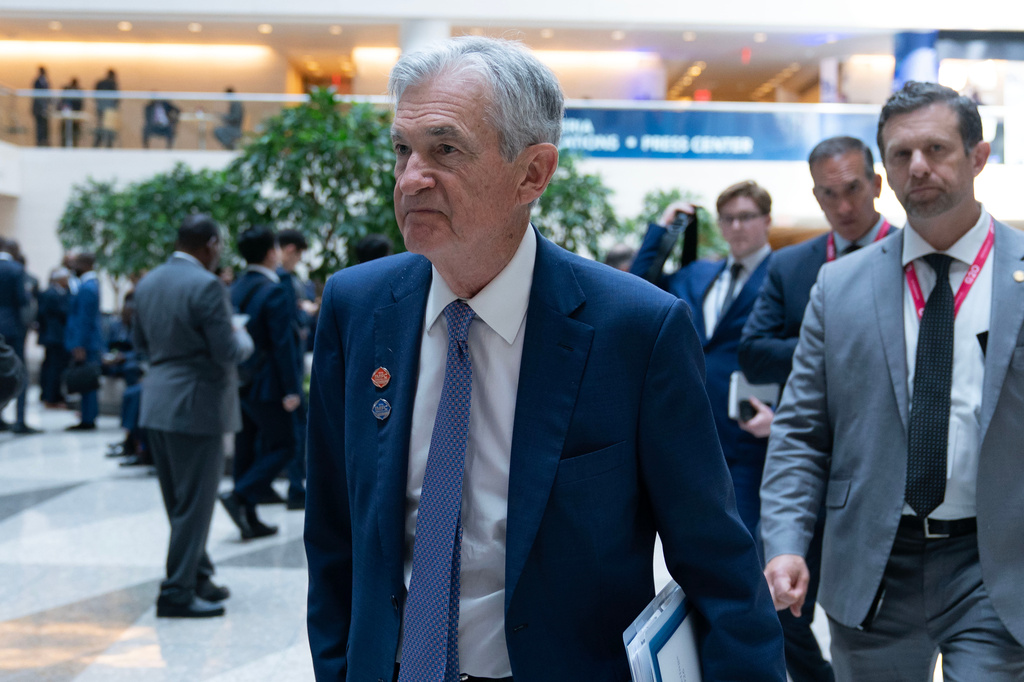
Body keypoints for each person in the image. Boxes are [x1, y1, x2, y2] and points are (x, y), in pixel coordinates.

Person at [304, 36, 785, 682]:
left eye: (444, 149)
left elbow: (718, 566)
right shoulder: (357, 307)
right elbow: (334, 534)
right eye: (402, 150)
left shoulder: (634, 332)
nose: (411, 178)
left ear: (532, 173)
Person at [761, 81, 1024, 680]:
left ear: (978, 157)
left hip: (995, 561)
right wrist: (784, 539)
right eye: (901, 155)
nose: (919, 167)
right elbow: (801, 431)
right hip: (874, 561)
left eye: (936, 149)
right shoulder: (839, 287)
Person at [738, 135, 892, 682]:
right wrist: (833, 343)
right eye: (829, 195)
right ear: (815, 196)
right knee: (779, 601)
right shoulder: (793, 266)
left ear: (876, 184)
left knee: (874, 621)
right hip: (802, 459)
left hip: (880, 472)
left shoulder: (912, 257)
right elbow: (753, 350)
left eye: (853, 190)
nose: (844, 207)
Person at [630, 181, 773, 541]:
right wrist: (663, 230)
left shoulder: (784, 275)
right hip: (690, 431)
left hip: (749, 437)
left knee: (744, 543)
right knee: (692, 542)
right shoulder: (697, 275)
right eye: (728, 219)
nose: (736, 227)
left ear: (766, 220)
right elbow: (637, 288)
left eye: (746, 217)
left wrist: (786, 415)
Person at [133, 214, 252, 618]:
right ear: (212, 244)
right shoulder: (206, 285)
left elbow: (140, 343)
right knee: (196, 505)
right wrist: (244, 338)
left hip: (158, 401)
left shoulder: (147, 282)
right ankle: (177, 592)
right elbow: (227, 351)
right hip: (197, 405)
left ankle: (198, 574)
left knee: (178, 502)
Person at [219, 227, 301, 540]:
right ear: (271, 253)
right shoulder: (275, 290)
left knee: (246, 449)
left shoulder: (235, 287)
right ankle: (241, 496)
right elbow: (283, 345)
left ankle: (249, 517)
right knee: (285, 445)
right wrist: (292, 389)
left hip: (241, 380)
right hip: (269, 383)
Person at [276, 229, 311, 509]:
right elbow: (284, 334)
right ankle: (296, 487)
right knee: (297, 432)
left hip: (269, 374)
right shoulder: (283, 281)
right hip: (286, 372)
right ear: (290, 250)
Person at [0, 239, 39, 434]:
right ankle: (20, 420)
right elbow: (22, 300)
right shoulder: (16, 269)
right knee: (18, 371)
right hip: (12, 328)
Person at [64, 252, 103, 431]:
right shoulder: (89, 284)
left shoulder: (88, 287)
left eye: (77, 263)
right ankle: (87, 417)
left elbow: (84, 319)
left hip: (86, 343)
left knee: (88, 381)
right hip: (87, 341)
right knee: (87, 380)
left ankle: (88, 419)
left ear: (86, 264)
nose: (74, 267)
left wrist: (79, 344)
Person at [37, 267, 72, 408]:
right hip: (54, 336)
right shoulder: (50, 293)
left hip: (57, 336)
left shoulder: (63, 292)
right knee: (53, 367)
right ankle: (50, 397)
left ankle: (53, 395)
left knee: (55, 367)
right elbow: (44, 315)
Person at [93, 69, 120, 148]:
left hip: (101, 110)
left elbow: (95, 96)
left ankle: (97, 145)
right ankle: (107, 146)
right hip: (109, 111)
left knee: (101, 127)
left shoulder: (100, 83)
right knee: (108, 129)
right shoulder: (113, 84)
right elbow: (117, 99)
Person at [58, 77, 84, 147]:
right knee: (65, 131)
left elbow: (80, 104)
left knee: (74, 132)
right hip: (67, 115)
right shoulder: (67, 91)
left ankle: (74, 145)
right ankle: (64, 145)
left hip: (75, 115)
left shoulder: (79, 91)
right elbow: (62, 102)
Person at [31, 66, 50, 147]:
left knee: (45, 125)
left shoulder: (46, 81)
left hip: (44, 107)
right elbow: (37, 95)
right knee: (39, 125)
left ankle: (44, 141)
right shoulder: (37, 81)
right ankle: (39, 142)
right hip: (38, 108)